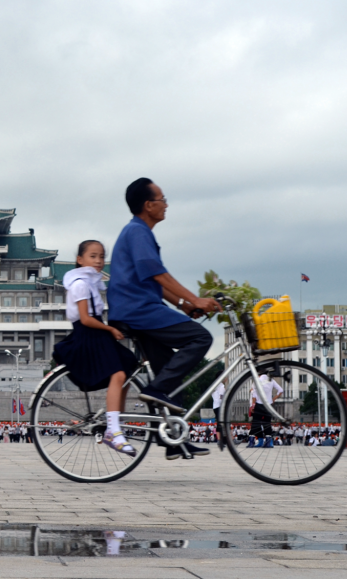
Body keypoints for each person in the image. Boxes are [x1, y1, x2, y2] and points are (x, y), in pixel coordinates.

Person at [107, 178, 221, 461]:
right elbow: (157, 274)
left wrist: (182, 305)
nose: (166, 204)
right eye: (162, 199)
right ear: (149, 205)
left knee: (170, 371)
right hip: (138, 310)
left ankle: (174, 439)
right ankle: (156, 390)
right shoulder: (137, 232)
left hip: (139, 307)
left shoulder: (139, 232)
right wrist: (194, 300)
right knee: (200, 338)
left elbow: (153, 279)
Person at [53, 240, 139, 456]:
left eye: (101, 256)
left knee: (130, 367)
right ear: (80, 260)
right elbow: (85, 318)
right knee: (118, 374)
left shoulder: (92, 283)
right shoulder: (81, 284)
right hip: (88, 335)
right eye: (93, 256)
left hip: (96, 333)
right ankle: (113, 430)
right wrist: (109, 330)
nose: (99, 261)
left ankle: (115, 419)